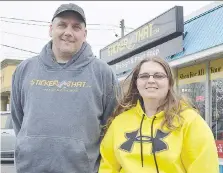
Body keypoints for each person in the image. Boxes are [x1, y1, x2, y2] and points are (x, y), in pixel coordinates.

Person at [11, 3, 118, 173]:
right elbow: (18, 119)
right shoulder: (24, 70)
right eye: (62, 25)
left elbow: (112, 126)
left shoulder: (103, 73)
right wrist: (29, 146)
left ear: (84, 34)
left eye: (76, 27)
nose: (68, 32)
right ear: (50, 29)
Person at [99, 56, 219, 173]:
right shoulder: (120, 122)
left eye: (158, 76)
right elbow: (108, 166)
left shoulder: (189, 121)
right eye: (144, 76)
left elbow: (205, 168)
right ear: (136, 83)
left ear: (169, 83)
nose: (151, 80)